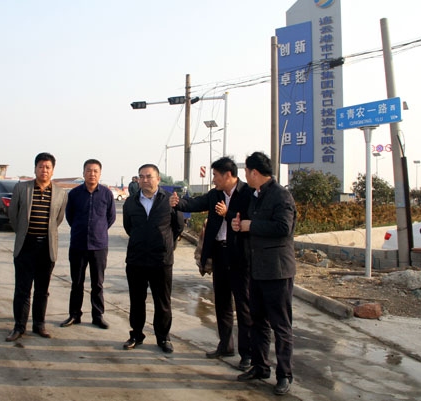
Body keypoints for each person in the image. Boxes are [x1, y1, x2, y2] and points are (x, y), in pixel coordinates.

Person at [169, 157, 252, 370]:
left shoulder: (247, 193)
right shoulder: (215, 194)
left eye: (215, 175)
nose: (213, 179)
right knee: (222, 302)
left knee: (243, 306)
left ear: (227, 175)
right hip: (220, 253)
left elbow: (249, 219)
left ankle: (247, 354)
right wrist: (178, 203)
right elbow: (196, 203)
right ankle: (225, 345)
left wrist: (228, 214)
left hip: (240, 257)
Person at [231, 152, 296, 396]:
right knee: (257, 321)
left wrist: (251, 225)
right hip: (257, 268)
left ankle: (284, 375)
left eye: (246, 172)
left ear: (255, 172)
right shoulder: (255, 196)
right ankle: (260, 366)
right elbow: (251, 225)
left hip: (277, 271)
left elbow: (283, 227)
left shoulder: (280, 195)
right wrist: (240, 226)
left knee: (281, 325)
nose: (245, 176)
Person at [5, 152, 68, 342]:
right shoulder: (21, 188)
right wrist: (23, 233)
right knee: (22, 289)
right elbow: (13, 215)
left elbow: (58, 219)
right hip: (26, 246)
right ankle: (19, 327)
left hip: (46, 248)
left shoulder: (60, 193)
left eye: (48, 167)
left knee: (42, 290)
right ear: (35, 169)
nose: (44, 170)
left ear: (53, 170)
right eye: (41, 166)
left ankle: (39, 325)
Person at [122, 164, 184, 353]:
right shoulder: (131, 202)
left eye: (149, 176)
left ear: (158, 179)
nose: (145, 180)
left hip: (161, 260)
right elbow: (128, 227)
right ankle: (136, 335)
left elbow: (178, 226)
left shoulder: (170, 200)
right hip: (136, 259)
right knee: (136, 300)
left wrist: (165, 242)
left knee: (162, 302)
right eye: (141, 176)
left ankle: (163, 337)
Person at [61, 159, 116, 330]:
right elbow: (70, 216)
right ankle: (74, 315)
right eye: (89, 170)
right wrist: (81, 228)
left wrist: (99, 230)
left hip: (99, 246)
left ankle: (97, 316)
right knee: (76, 282)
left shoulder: (106, 194)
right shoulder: (74, 194)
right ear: (83, 173)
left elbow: (111, 217)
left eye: (95, 171)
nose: (92, 174)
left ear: (100, 173)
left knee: (97, 283)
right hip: (78, 244)